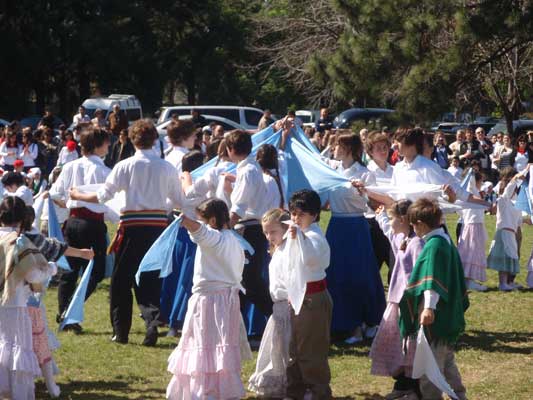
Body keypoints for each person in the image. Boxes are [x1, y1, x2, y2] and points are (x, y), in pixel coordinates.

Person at [69, 119, 184, 346]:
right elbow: (178, 200)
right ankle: (151, 322)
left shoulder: (125, 165)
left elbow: (103, 195)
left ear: (132, 140)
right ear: (154, 140)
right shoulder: (167, 167)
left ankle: (121, 331)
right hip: (157, 228)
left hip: (132, 227)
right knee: (150, 279)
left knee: (121, 280)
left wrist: (78, 195)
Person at [166, 199, 248, 400]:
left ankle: (205, 391)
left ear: (212, 220)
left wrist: (184, 220)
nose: (199, 223)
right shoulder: (234, 240)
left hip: (210, 301)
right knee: (217, 345)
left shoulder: (216, 238)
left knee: (205, 345)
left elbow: (200, 232)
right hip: (226, 300)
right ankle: (218, 390)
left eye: (202, 220)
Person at [399, 198, 469, 400]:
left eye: (413, 224)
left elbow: (432, 279)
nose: (413, 228)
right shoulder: (445, 240)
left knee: (429, 370)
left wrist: (428, 308)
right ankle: (460, 396)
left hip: (434, 318)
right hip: (447, 315)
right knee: (446, 361)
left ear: (420, 224)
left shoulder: (434, 246)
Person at [21, 205, 94, 399]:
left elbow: (58, 247)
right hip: (29, 299)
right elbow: (59, 248)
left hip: (17, 300)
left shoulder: (15, 238)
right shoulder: (31, 238)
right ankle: (47, 383)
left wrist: (81, 253)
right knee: (38, 340)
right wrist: (82, 253)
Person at [49, 126, 111, 333]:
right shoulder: (104, 171)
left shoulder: (70, 166)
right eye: (106, 142)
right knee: (96, 270)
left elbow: (56, 194)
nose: (109, 146)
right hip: (92, 223)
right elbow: (110, 203)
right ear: (98, 145)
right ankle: (69, 310)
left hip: (73, 222)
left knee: (70, 270)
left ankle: (65, 312)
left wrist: (68, 206)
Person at [324, 134, 385, 343]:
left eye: (338, 145)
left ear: (348, 148)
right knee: (335, 276)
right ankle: (341, 323)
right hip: (336, 226)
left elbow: (375, 204)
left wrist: (363, 192)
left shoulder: (365, 174)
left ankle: (365, 322)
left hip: (356, 227)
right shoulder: (333, 170)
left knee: (359, 276)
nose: (334, 148)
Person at [370, 200, 423, 400]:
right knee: (396, 342)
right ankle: (402, 382)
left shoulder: (416, 242)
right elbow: (388, 231)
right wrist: (381, 216)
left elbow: (419, 271)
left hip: (409, 301)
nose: (390, 221)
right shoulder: (400, 237)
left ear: (402, 219)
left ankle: (413, 385)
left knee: (408, 344)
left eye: (392, 218)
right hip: (397, 299)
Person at [0, 196, 51, 400]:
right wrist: (52, 270)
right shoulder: (19, 241)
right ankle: (18, 394)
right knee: (16, 349)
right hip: (14, 303)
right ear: (21, 219)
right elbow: (33, 275)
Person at [285, 189, 332, 399]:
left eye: (300, 214)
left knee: (311, 351)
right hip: (297, 298)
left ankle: (318, 391)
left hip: (312, 299)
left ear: (313, 214)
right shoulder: (299, 234)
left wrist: (299, 238)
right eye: (293, 214)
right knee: (295, 350)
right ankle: (296, 389)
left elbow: (312, 260)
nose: (295, 219)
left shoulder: (314, 236)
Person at [226, 130, 273, 330]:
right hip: (251, 227)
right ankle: (238, 327)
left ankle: (277, 317)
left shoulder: (247, 171)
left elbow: (239, 206)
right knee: (243, 281)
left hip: (249, 229)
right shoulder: (249, 169)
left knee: (249, 280)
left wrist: (224, 228)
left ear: (231, 150)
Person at [249, 208, 291, 398]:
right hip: (278, 306)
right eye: (266, 232)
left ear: (285, 228)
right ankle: (277, 384)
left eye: (273, 232)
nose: (269, 236)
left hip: (289, 305)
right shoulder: (276, 250)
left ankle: (289, 384)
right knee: (276, 348)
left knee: (287, 348)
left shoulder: (290, 250)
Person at [487, 167, 528, 291]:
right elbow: (510, 187)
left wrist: (528, 220)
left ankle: (508, 282)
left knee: (510, 257)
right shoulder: (503, 200)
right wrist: (518, 176)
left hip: (511, 233)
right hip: (504, 232)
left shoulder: (515, 201)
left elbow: (520, 219)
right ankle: (502, 283)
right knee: (504, 258)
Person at [457, 172, 488, 292]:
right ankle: (469, 281)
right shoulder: (471, 190)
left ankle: (469, 280)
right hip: (472, 225)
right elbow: (470, 181)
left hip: (474, 225)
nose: (481, 184)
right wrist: (471, 171)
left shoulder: (475, 192)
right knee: (471, 252)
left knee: (473, 251)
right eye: (480, 181)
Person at [256, 143, 286, 209]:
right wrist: (284, 139)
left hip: (269, 216)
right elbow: (281, 157)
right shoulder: (279, 172)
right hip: (281, 214)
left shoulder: (262, 179)